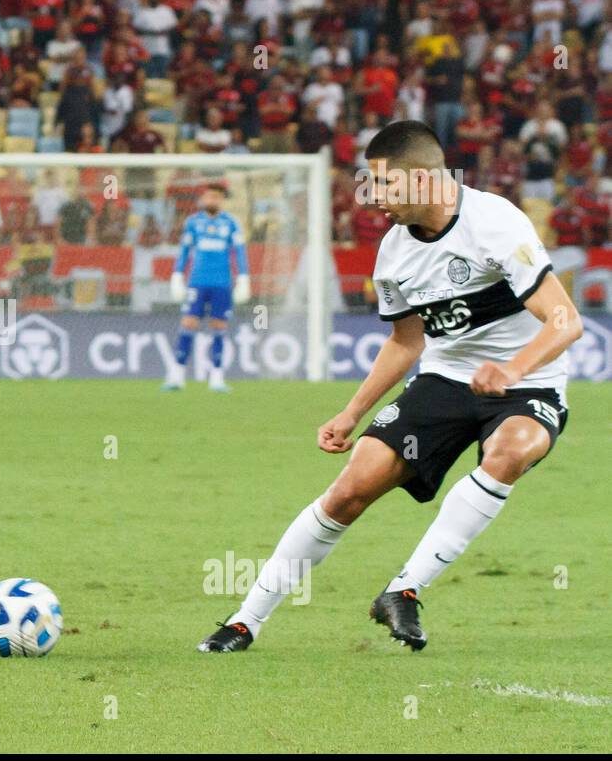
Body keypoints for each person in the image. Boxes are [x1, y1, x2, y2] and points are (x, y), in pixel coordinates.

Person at [199, 121, 582, 654]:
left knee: (511, 450)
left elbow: (565, 321)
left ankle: (404, 589)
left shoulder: (495, 222)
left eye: (383, 185)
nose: (373, 198)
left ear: (423, 180)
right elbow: (406, 341)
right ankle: (244, 621)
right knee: (350, 490)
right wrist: (352, 412)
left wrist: (512, 370)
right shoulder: (394, 253)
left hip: (527, 384)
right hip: (444, 383)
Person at [164, 183, 250, 392]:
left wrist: (244, 277)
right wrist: (177, 275)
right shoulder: (193, 223)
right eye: (209, 196)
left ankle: (217, 378)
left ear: (221, 200)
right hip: (198, 282)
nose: (212, 200)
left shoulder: (230, 224)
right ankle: (177, 375)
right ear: (203, 199)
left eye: (216, 197)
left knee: (219, 328)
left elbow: (239, 252)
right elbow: (185, 251)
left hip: (222, 283)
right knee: (188, 324)